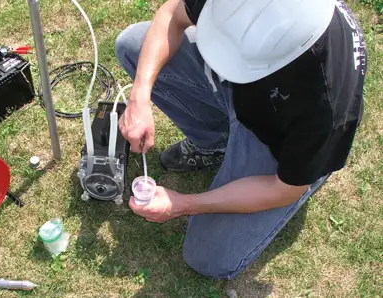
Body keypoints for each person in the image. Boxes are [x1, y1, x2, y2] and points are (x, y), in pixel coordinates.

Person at [115, 0, 367, 279]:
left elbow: (283, 190)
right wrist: (139, 97)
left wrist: (183, 204)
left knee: (207, 256)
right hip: (254, 96)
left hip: (280, 143)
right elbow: (171, 15)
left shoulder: (326, 105)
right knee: (133, 47)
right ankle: (216, 141)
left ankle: (310, 170)